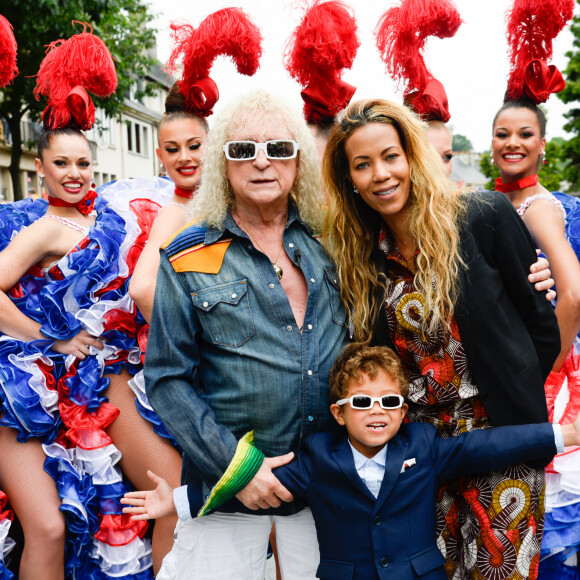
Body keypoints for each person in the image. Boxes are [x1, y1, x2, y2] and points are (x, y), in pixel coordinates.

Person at [322, 98, 561, 580]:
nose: (381, 174)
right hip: (419, 453)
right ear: (349, 179)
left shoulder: (481, 215)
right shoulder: (362, 256)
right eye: (362, 165)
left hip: (503, 437)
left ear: (412, 155)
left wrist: (514, 387)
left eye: (390, 156)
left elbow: (540, 323)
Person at [123, 342, 580, 580]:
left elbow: (487, 447)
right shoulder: (318, 456)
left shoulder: (423, 446)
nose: (376, 410)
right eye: (361, 401)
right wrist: (177, 502)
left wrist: (565, 434)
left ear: (404, 410)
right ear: (339, 413)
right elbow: (255, 493)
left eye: (389, 401)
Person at [143, 89, 347, 579]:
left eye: (277, 148)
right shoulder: (187, 254)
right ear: (221, 162)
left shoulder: (335, 243)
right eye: (242, 150)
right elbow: (169, 379)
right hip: (227, 493)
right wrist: (240, 468)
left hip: (326, 491)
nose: (261, 163)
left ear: (298, 158)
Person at [0, 27, 181, 578]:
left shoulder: (115, 213)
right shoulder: (43, 226)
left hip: (99, 378)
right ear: (40, 166)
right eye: (61, 164)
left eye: (83, 163)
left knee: (173, 493)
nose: (74, 175)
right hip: (28, 385)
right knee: (50, 527)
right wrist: (48, 336)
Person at [491, 2, 580, 576]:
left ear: (543, 143)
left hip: (543, 376)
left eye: (525, 134)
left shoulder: (540, 207)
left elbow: (572, 293)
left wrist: (545, 365)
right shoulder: (496, 202)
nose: (513, 142)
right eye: (503, 134)